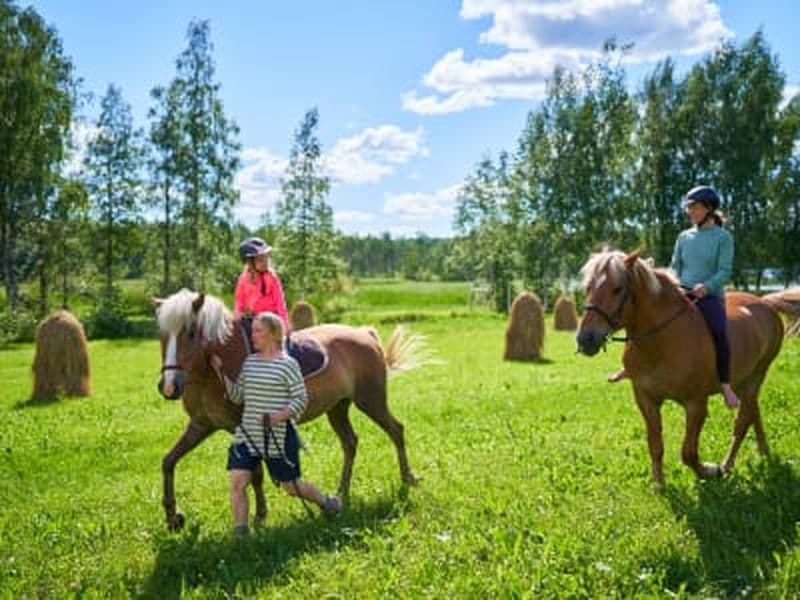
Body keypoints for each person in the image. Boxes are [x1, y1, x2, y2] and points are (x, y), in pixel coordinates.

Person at [608, 185, 740, 410]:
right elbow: (675, 267)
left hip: (709, 297)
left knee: (719, 332)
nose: (690, 211)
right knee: (644, 319)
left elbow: (725, 271)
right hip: (681, 293)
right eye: (689, 207)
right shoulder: (684, 237)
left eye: (694, 207)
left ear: (708, 209)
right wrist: (664, 277)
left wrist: (707, 287)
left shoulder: (722, 237)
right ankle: (631, 367)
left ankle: (726, 385)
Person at [211, 311, 341, 537]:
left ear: (273, 334)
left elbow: (300, 400)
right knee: (237, 482)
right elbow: (238, 396)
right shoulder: (250, 363)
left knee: (291, 486)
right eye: (253, 331)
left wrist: (277, 417)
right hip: (248, 435)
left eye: (258, 331)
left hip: (278, 435)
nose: (253, 336)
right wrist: (221, 372)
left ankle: (326, 502)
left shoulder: (287, 364)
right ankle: (241, 535)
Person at [234, 237, 289, 330]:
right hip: (253, 319)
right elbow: (239, 302)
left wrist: (284, 324)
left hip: (271, 319)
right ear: (250, 262)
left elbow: (280, 303)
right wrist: (236, 320)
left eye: (266, 257)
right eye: (260, 259)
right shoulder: (243, 279)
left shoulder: (272, 277)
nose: (265, 262)